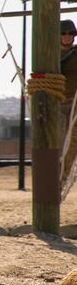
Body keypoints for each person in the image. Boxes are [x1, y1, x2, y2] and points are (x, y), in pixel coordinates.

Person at [61, 20, 77, 188]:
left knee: (73, 141)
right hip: (56, 102)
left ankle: (63, 177)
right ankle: (54, 173)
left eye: (71, 33)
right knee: (56, 140)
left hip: (75, 103)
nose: (67, 37)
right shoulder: (48, 54)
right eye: (64, 33)